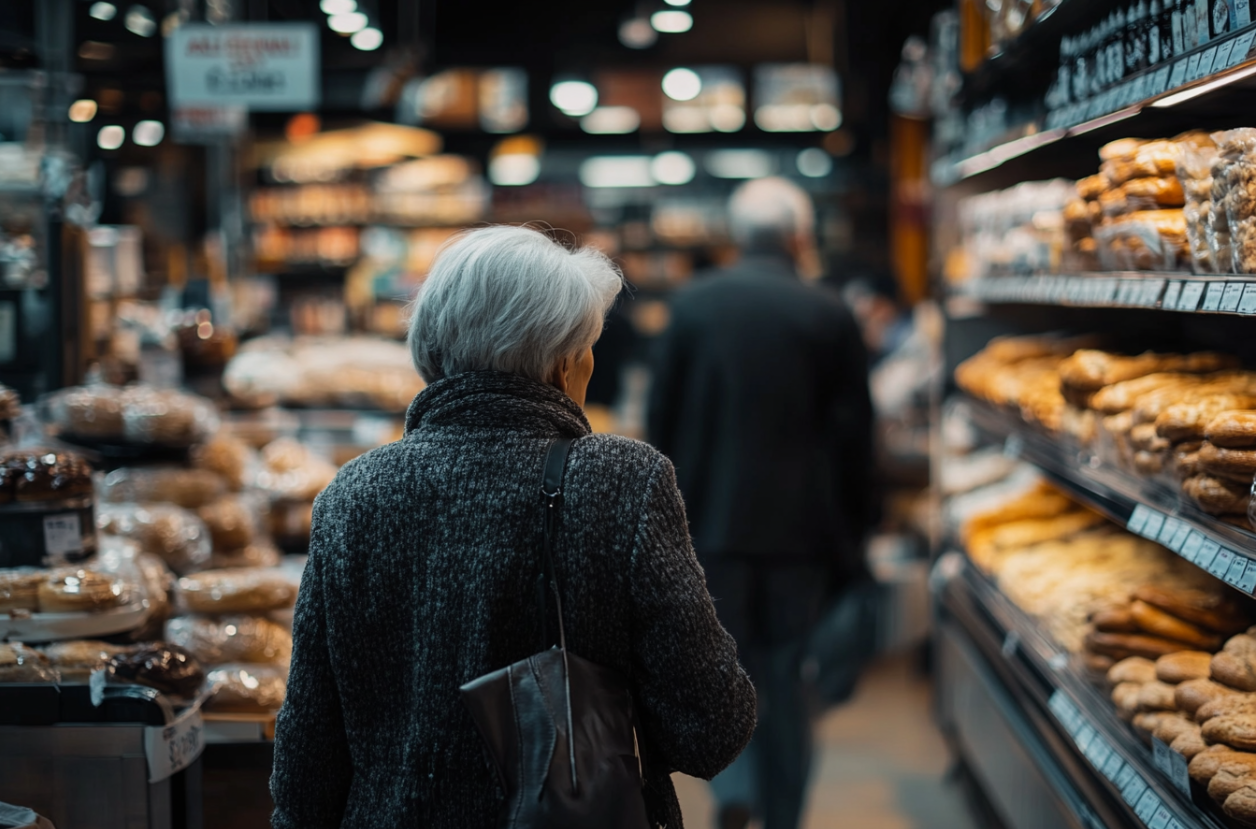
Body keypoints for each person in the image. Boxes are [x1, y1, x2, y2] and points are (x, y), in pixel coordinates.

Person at [271, 226, 756, 828]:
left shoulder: (353, 494)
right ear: (561, 359)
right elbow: (711, 727)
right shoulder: (621, 481)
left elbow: (305, 763)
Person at [648, 178, 874, 829]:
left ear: (736, 236)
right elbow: (854, 438)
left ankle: (734, 789)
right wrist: (855, 538)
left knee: (722, 668)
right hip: (801, 535)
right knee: (788, 677)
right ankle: (784, 811)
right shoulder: (828, 313)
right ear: (800, 237)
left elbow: (659, 421)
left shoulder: (691, 306)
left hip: (709, 530)